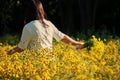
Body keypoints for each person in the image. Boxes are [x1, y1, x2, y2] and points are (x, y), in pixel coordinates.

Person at [8, 0, 84, 54]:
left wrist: (9, 52)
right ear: (42, 11)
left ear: (28, 12)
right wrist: (77, 43)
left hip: (36, 65)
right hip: (50, 63)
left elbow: (21, 48)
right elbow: (62, 37)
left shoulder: (28, 26)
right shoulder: (48, 24)